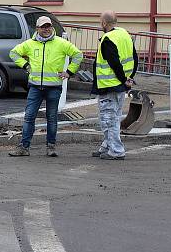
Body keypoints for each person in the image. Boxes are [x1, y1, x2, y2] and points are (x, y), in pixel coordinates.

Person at [8, 16, 83, 157]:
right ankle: (24, 147)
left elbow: (78, 54)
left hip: (54, 87)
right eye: (43, 27)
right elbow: (13, 53)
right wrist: (25, 65)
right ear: (37, 29)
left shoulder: (61, 43)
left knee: (52, 117)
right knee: (29, 116)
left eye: (48, 26)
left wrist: (69, 72)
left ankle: (51, 147)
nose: (46, 29)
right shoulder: (30, 44)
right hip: (35, 87)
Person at [92, 10, 138, 160]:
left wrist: (123, 78)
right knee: (114, 117)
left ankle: (116, 151)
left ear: (104, 23)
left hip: (109, 85)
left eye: (101, 22)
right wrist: (129, 77)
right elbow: (135, 58)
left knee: (108, 119)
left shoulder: (108, 39)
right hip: (120, 86)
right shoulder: (124, 34)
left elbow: (114, 62)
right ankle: (106, 146)